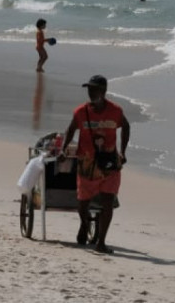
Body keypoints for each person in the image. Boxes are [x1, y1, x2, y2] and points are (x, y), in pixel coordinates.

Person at [61, 75, 129, 254]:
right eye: (89, 89)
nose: (90, 93)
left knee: (108, 200)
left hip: (109, 163)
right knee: (83, 202)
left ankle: (101, 242)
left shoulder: (116, 111)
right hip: (87, 163)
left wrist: (123, 151)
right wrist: (63, 149)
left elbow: (126, 126)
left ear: (104, 91)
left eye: (94, 89)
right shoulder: (81, 112)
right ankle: (84, 225)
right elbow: (70, 129)